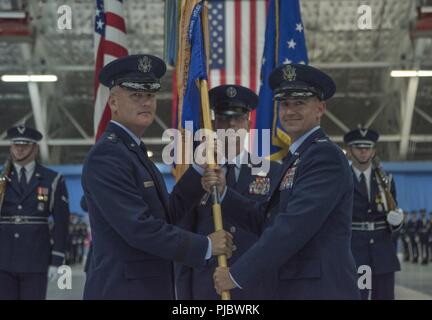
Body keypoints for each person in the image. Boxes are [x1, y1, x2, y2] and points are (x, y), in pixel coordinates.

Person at [81, 54, 233, 299]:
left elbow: (166, 215)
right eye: (136, 96)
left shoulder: (133, 152)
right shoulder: (108, 156)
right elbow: (138, 228)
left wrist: (196, 171)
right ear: (113, 102)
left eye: (150, 95)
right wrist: (205, 246)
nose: (146, 103)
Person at [210, 63, 360, 299]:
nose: (290, 111)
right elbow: (268, 219)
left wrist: (237, 274)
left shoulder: (324, 156)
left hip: (319, 290)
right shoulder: (297, 157)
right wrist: (225, 193)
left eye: (299, 103)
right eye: (284, 103)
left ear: (320, 108)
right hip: (297, 287)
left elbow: (293, 226)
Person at [175, 84, 282, 299]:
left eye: (238, 118)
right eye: (224, 118)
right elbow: (183, 236)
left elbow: (277, 233)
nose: (231, 124)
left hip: (255, 288)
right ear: (214, 124)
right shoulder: (197, 174)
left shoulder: (273, 172)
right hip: (207, 287)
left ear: (248, 123)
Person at [0, 125, 70, 299]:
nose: (20, 148)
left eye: (25, 144)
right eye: (16, 144)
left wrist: (57, 259)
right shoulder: (1, 179)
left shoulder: (52, 179)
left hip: (36, 259)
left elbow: (62, 222)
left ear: (35, 147)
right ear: (10, 146)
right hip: (3, 258)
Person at [343, 127, 404, 300]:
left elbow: (393, 211)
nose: (363, 151)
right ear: (349, 150)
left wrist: (397, 223)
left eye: (367, 147)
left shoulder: (386, 179)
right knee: (356, 296)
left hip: (382, 251)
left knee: (384, 296)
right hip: (353, 250)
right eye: (358, 147)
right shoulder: (342, 179)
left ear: (374, 150)